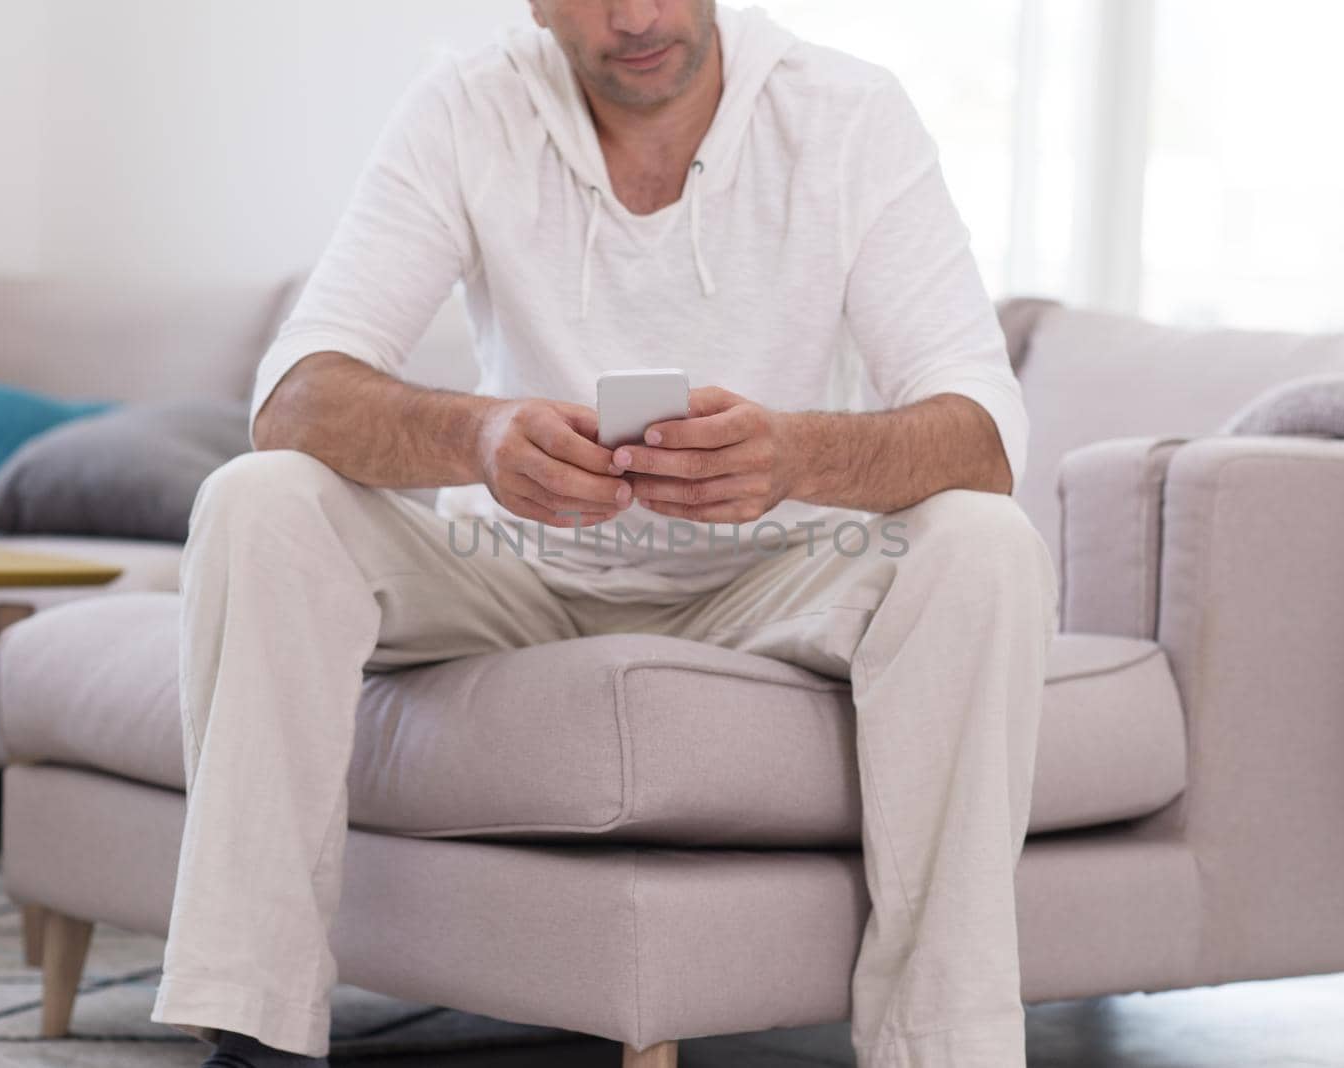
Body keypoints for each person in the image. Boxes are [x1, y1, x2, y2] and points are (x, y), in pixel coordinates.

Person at [150, 2, 1059, 1066]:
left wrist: (793, 456)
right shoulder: (463, 105)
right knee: (256, 497)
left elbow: (982, 433)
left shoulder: (848, 113)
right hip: (512, 576)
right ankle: (254, 1033)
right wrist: (479, 435)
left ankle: (942, 1049)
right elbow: (294, 398)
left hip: (774, 581)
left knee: (984, 541)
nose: (636, 17)